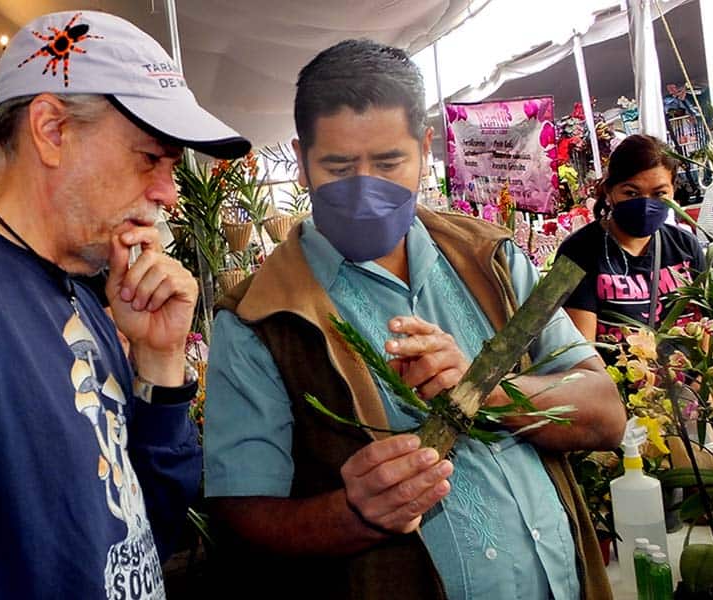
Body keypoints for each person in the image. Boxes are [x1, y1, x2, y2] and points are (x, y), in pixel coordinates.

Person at [202, 39, 625, 599]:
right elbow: (244, 519)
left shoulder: (490, 259)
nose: (365, 188)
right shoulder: (260, 320)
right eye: (339, 166)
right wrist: (354, 513)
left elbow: (604, 412)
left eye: (387, 163)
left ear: (424, 149)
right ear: (302, 162)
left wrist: (484, 391)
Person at [0, 10, 250, 599]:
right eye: (151, 158)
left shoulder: (80, 294)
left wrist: (159, 361)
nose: (168, 191)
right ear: (52, 129)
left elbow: (145, 535)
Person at [556, 134, 706, 346]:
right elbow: (584, 351)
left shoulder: (685, 246)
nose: (646, 204)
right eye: (631, 193)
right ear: (609, 190)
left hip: (687, 377)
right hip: (613, 378)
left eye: (659, 193)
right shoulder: (578, 251)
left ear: (673, 190)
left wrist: (699, 378)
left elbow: (705, 328)